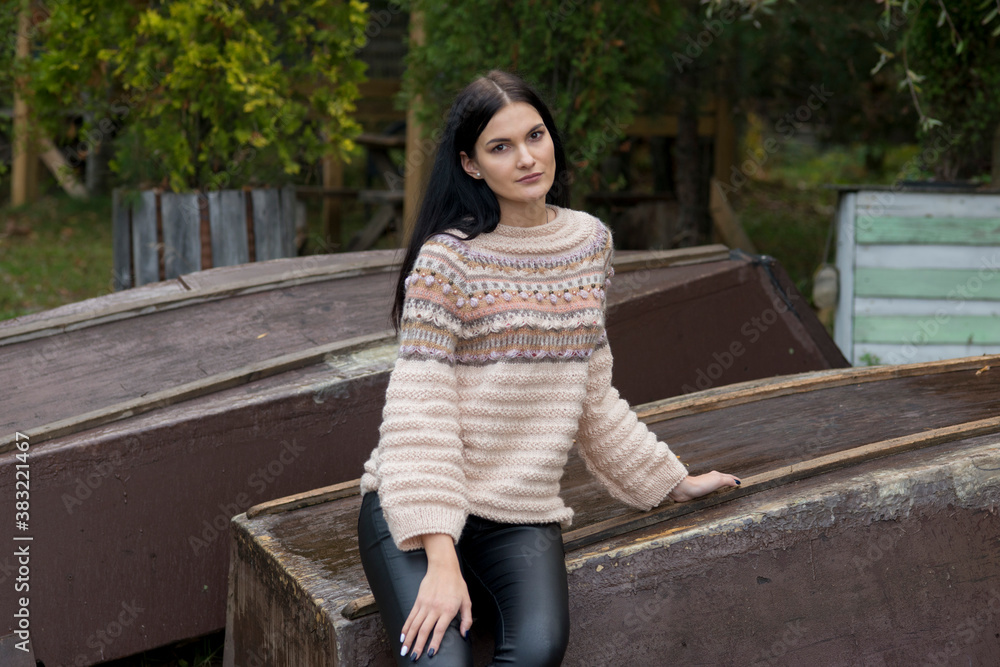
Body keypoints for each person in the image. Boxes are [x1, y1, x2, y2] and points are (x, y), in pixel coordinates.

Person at [357, 69, 741, 667]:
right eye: (501, 147)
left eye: (535, 136)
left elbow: (589, 393)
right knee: (440, 661)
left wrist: (670, 481)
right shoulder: (447, 261)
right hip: (415, 505)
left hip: (518, 509)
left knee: (539, 650)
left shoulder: (588, 243)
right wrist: (441, 557)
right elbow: (419, 413)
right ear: (470, 164)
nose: (527, 158)